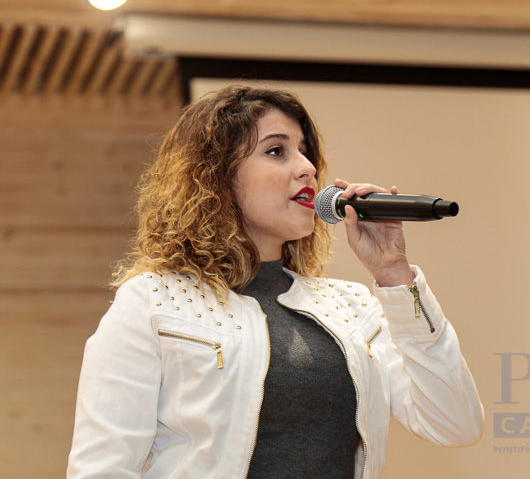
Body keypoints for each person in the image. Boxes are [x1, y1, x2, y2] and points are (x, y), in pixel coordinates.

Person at [66, 85, 484, 479]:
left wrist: (394, 274)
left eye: (304, 152)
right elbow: (103, 468)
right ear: (217, 176)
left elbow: (456, 424)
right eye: (276, 150)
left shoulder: (352, 308)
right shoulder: (155, 302)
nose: (307, 168)